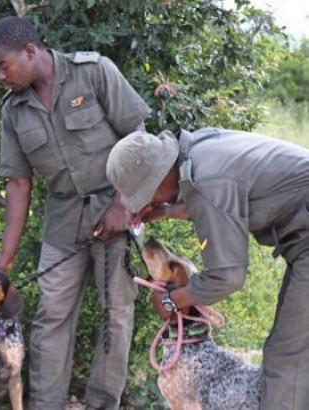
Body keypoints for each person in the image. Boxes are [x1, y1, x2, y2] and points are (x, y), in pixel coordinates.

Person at [0, 16, 151, 410]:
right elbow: (19, 184)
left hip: (117, 212)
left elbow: (140, 137)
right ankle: (46, 404)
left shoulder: (93, 73)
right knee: (50, 316)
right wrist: (4, 258)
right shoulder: (13, 110)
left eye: (2, 65)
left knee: (117, 317)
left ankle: (101, 404)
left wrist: (121, 204)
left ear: (29, 52)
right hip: (63, 222)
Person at [106, 128, 309, 410]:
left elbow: (227, 275)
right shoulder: (198, 151)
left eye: (147, 196)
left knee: (289, 359)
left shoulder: (207, 179)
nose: (151, 203)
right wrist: (166, 211)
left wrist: (172, 300)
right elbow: (220, 202)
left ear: (159, 175)